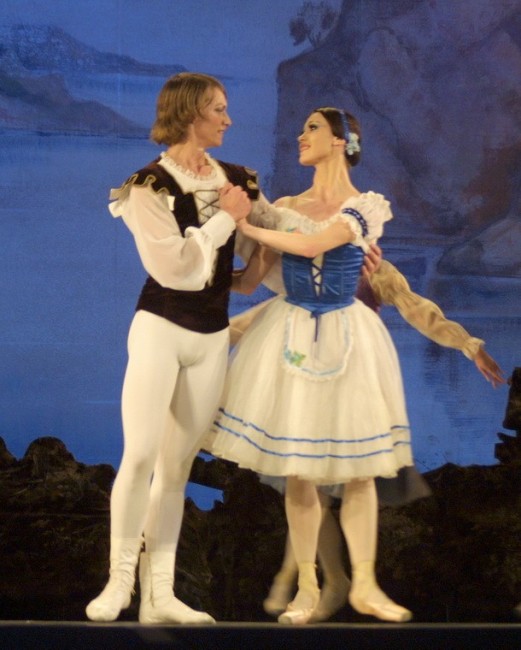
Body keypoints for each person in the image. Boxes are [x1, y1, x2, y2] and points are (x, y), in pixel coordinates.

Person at [84, 71, 288, 625]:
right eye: (218, 109)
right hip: (161, 327)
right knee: (140, 456)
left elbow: (272, 239)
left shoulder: (238, 181)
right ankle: (120, 581)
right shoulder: (147, 187)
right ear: (190, 112)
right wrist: (228, 218)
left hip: (212, 336)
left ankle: (160, 595)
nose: (228, 119)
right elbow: (174, 268)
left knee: (177, 469)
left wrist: (340, 243)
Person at [210, 106, 418, 624]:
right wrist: (207, 253)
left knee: (360, 471)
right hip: (291, 331)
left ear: (341, 141)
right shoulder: (284, 207)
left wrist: (248, 225)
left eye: (313, 128)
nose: (301, 136)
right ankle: (307, 583)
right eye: (302, 128)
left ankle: (365, 584)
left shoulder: (365, 206)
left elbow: (312, 243)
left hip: (348, 334)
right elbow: (254, 279)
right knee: (298, 470)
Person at [230, 252, 505, 622]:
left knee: (347, 485)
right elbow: (261, 314)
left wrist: (468, 345)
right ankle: (315, 581)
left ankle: (338, 581)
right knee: (307, 486)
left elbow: (417, 308)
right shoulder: (302, 271)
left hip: (354, 397)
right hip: (308, 393)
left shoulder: (372, 269)